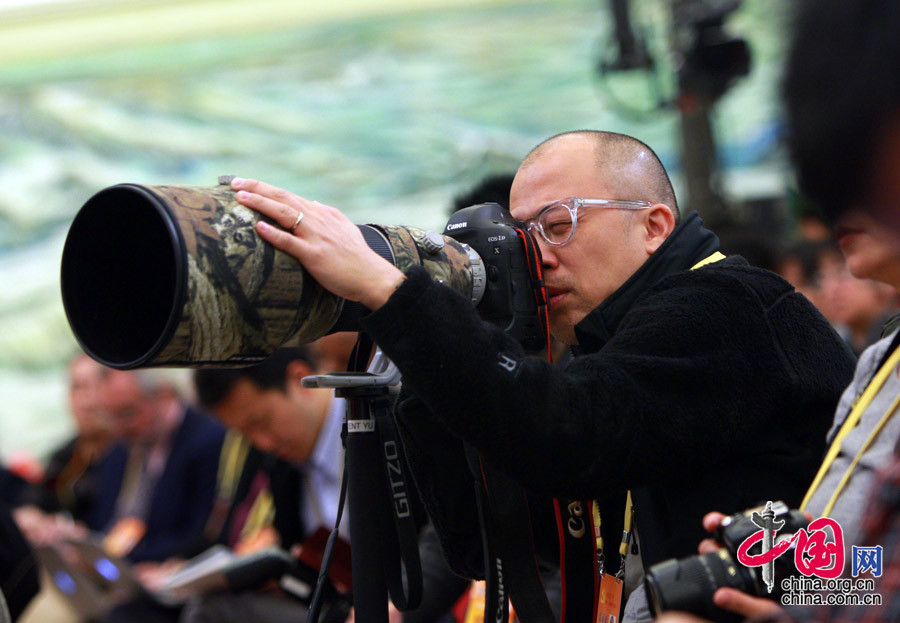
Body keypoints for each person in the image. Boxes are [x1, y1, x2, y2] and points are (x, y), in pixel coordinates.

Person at [226, 128, 856, 621]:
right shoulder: (608, 343)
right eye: (523, 238)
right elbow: (492, 549)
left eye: (557, 226)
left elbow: (568, 436)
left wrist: (396, 294)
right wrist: (436, 346)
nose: (538, 259)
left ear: (653, 226)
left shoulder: (727, 303)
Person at [654, 1, 900, 622]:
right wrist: (780, 572)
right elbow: (875, 571)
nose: (832, 198)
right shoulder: (880, 358)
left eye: (861, 166)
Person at [90, 368, 225, 564]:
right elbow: (103, 522)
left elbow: (199, 535)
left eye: (127, 413)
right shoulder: (122, 449)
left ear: (164, 396)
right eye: (110, 416)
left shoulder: (207, 441)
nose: (118, 428)